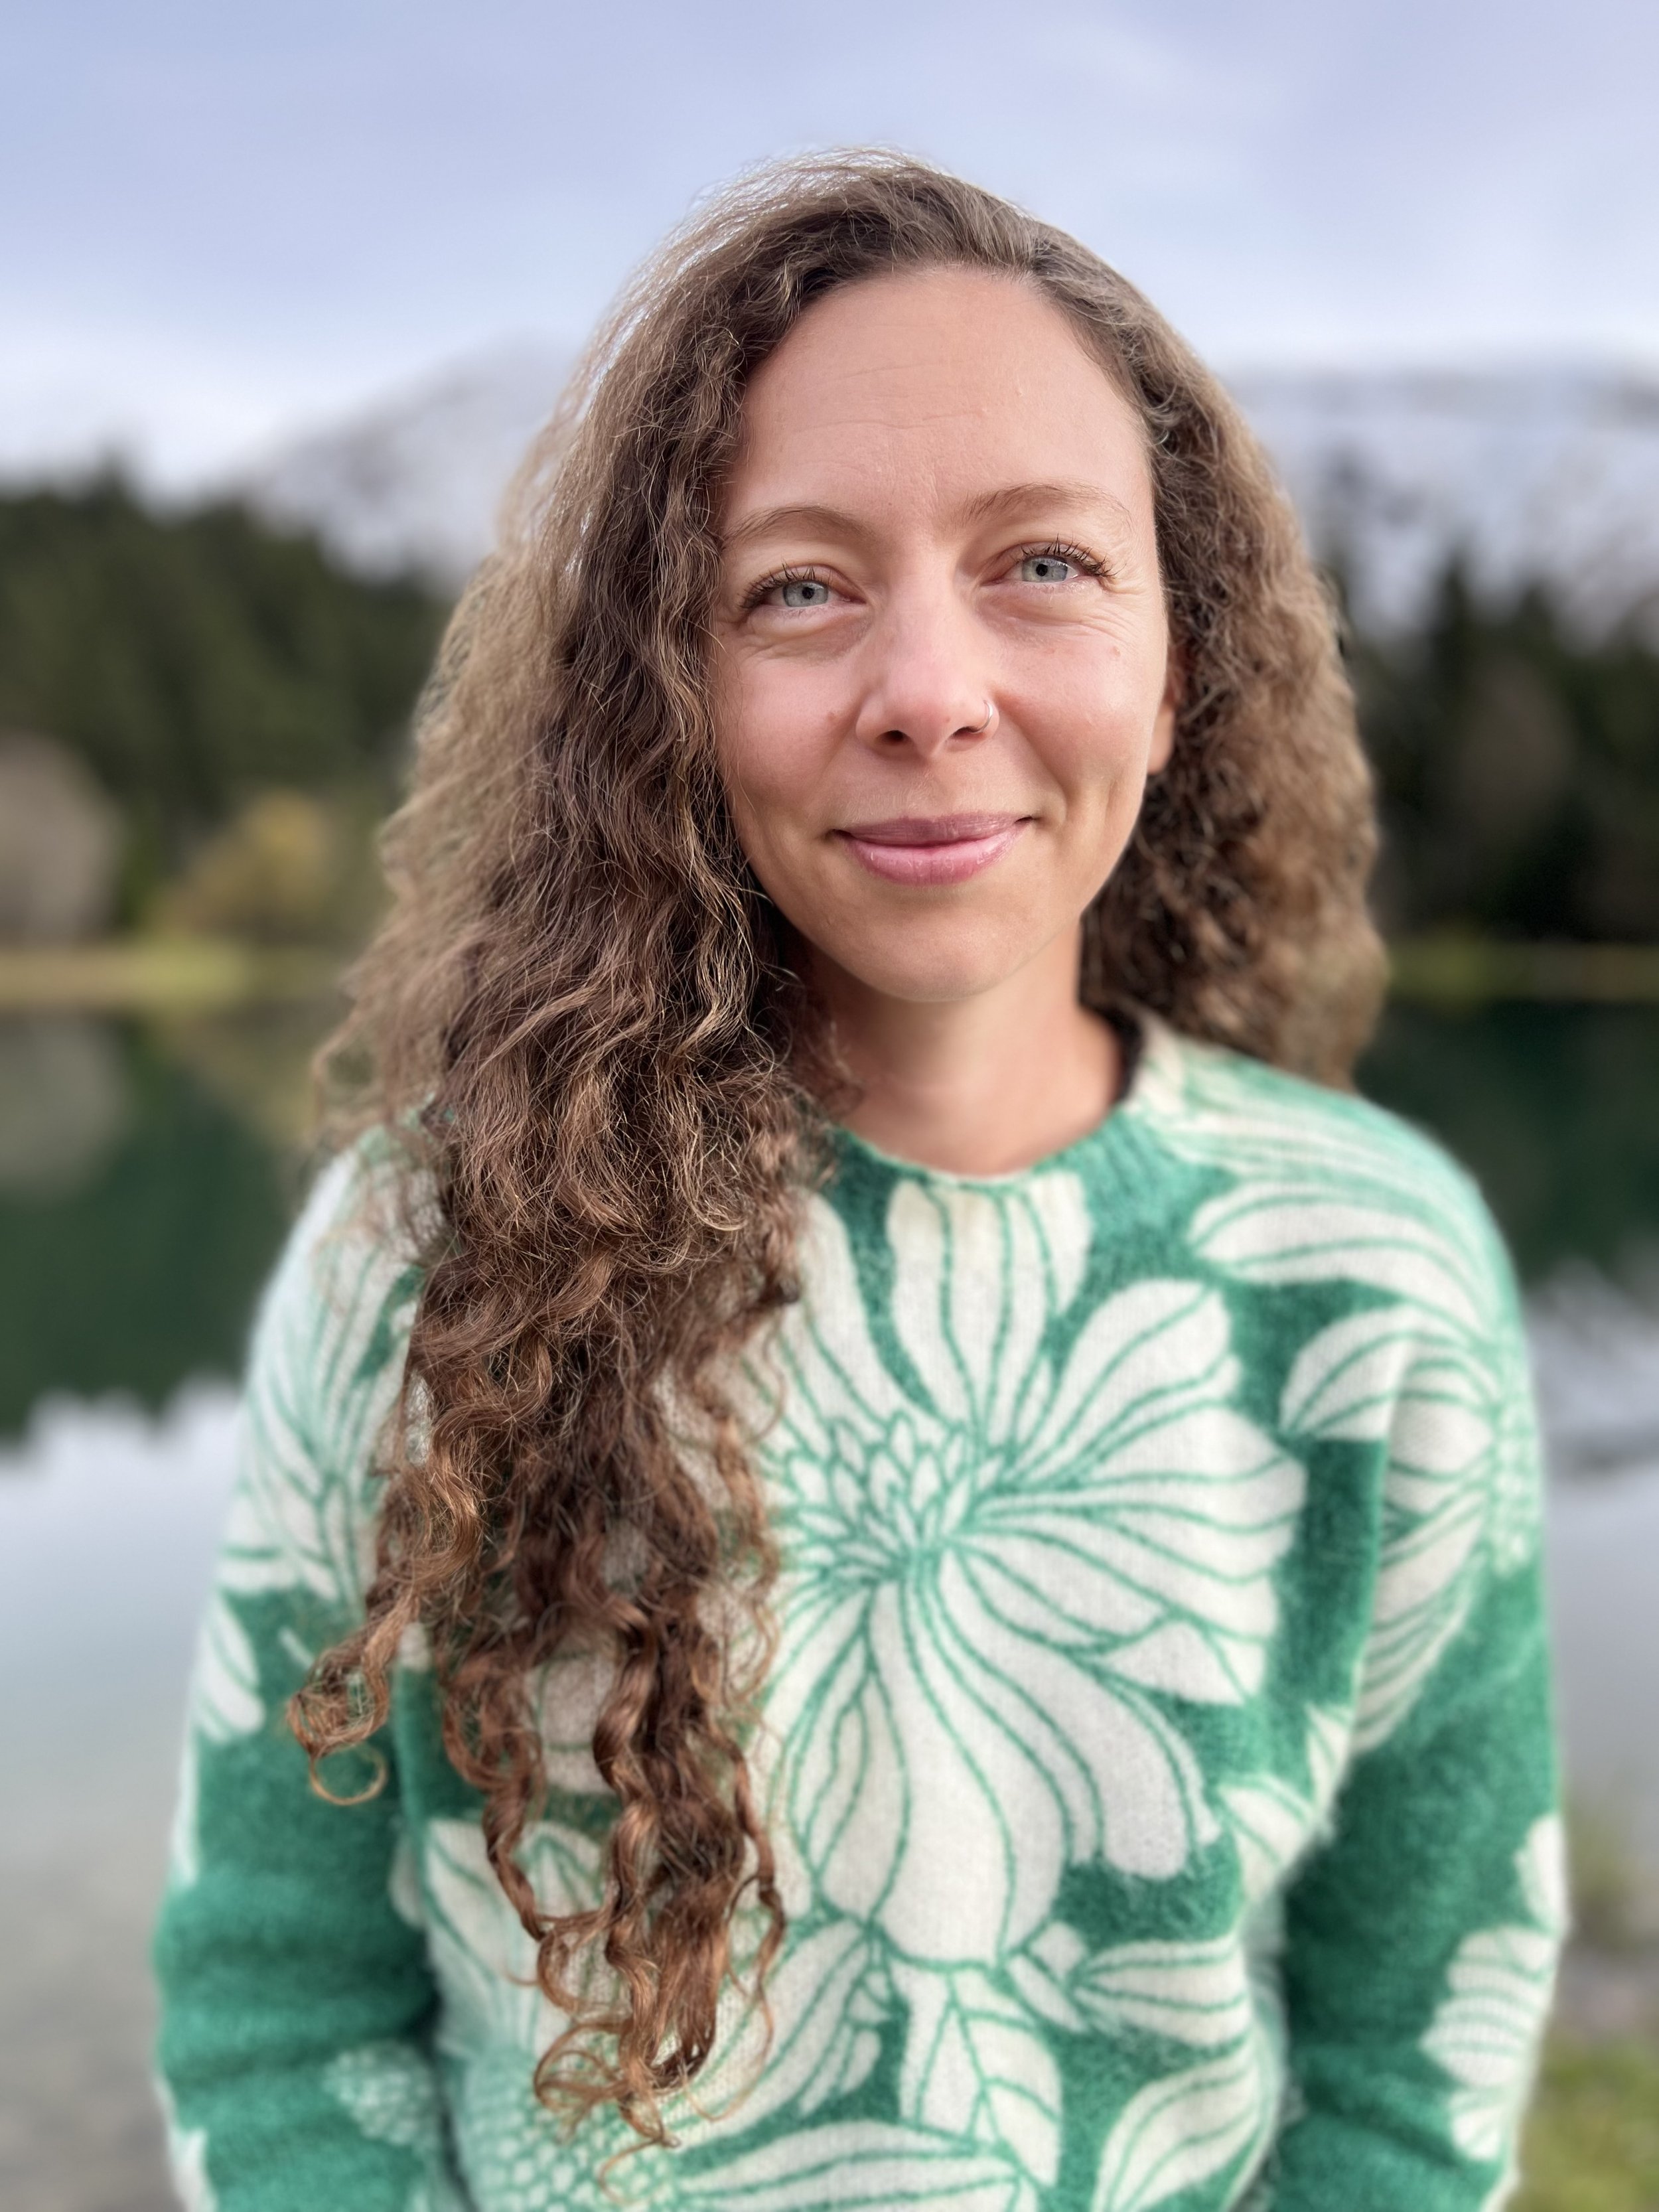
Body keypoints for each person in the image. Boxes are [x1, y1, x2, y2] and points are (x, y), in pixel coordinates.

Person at [154, 153, 1561, 2212]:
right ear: (670, 697)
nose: (925, 690)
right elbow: (279, 2013)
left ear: (1177, 669)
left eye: (1044, 566)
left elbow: (1414, 2028)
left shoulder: (1368, 1275)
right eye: (798, 588)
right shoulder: (427, 1258)